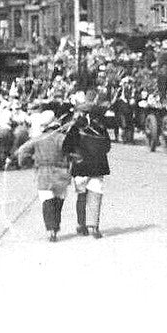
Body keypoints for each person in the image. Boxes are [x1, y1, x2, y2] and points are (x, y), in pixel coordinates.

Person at [14, 110, 72, 242]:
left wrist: (25, 162)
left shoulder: (38, 138)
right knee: (58, 202)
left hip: (44, 173)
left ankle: (51, 230)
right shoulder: (62, 138)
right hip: (61, 172)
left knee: (47, 202)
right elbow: (73, 153)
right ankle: (55, 228)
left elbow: (22, 151)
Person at [63, 92, 112, 239]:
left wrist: (72, 157)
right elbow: (107, 146)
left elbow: (66, 147)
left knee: (81, 197)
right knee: (96, 196)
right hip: (98, 167)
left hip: (81, 167)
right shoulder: (101, 127)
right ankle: (94, 227)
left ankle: (81, 225)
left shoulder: (75, 128)